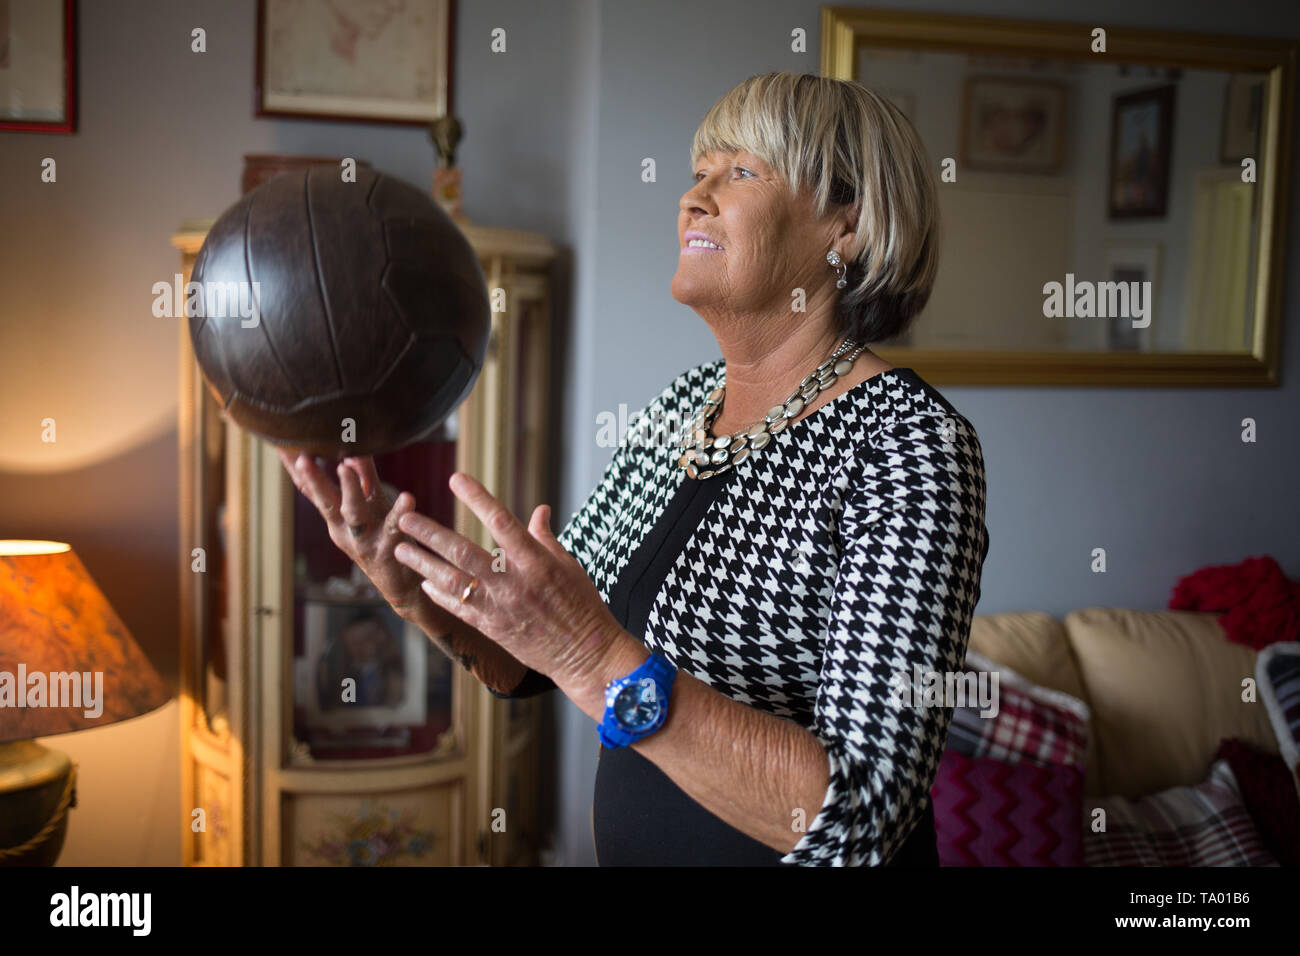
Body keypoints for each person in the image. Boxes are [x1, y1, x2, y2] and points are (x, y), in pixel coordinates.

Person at [281, 71, 989, 866]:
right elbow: (533, 655)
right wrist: (411, 584)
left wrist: (595, 654)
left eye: (742, 172)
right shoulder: (683, 407)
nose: (694, 197)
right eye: (699, 172)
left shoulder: (909, 446)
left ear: (846, 227)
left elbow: (863, 816)